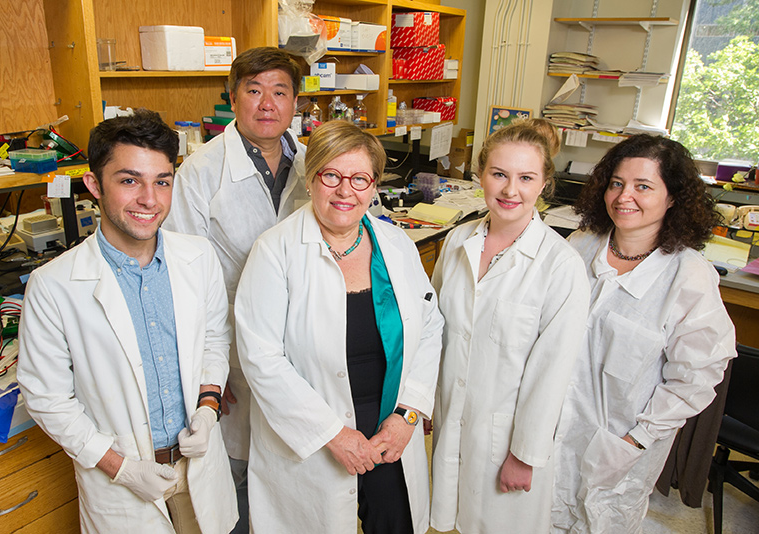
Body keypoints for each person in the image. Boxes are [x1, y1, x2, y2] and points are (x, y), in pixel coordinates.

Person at [17, 110, 238, 534]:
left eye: (162, 181)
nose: (149, 200)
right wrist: (121, 469)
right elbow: (47, 399)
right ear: (94, 185)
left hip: (199, 468)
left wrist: (208, 409)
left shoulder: (198, 257)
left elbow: (214, 340)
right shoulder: (54, 285)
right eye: (129, 180)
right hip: (122, 484)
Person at [234, 120, 444, 533]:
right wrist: (332, 435)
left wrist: (408, 415)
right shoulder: (275, 252)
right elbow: (261, 358)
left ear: (374, 185)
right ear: (311, 180)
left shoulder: (395, 244)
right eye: (331, 175)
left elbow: (431, 325)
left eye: (359, 178)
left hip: (390, 428)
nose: (345, 191)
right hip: (316, 434)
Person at [551, 134, 737, 534]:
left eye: (643, 186)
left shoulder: (688, 277)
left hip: (619, 446)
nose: (623, 197)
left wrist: (636, 441)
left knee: (598, 523)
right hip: (547, 431)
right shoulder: (580, 246)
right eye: (616, 183)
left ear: (673, 198)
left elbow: (697, 377)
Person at [162, 46, 308, 533]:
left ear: (295, 103)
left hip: (304, 348)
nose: (267, 103)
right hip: (236, 362)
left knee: (299, 469)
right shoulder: (200, 173)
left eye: (280, 91)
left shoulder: (314, 167)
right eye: (254, 90)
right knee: (241, 474)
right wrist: (207, 375)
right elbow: (184, 284)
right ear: (232, 97)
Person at [430, 119, 590, 533]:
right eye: (498, 174)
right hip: (451, 422)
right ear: (480, 174)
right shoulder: (457, 240)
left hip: (508, 441)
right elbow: (434, 331)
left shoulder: (561, 265)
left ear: (544, 184)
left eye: (525, 177)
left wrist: (525, 453)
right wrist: (424, 401)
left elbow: (552, 372)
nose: (509, 190)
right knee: (449, 520)